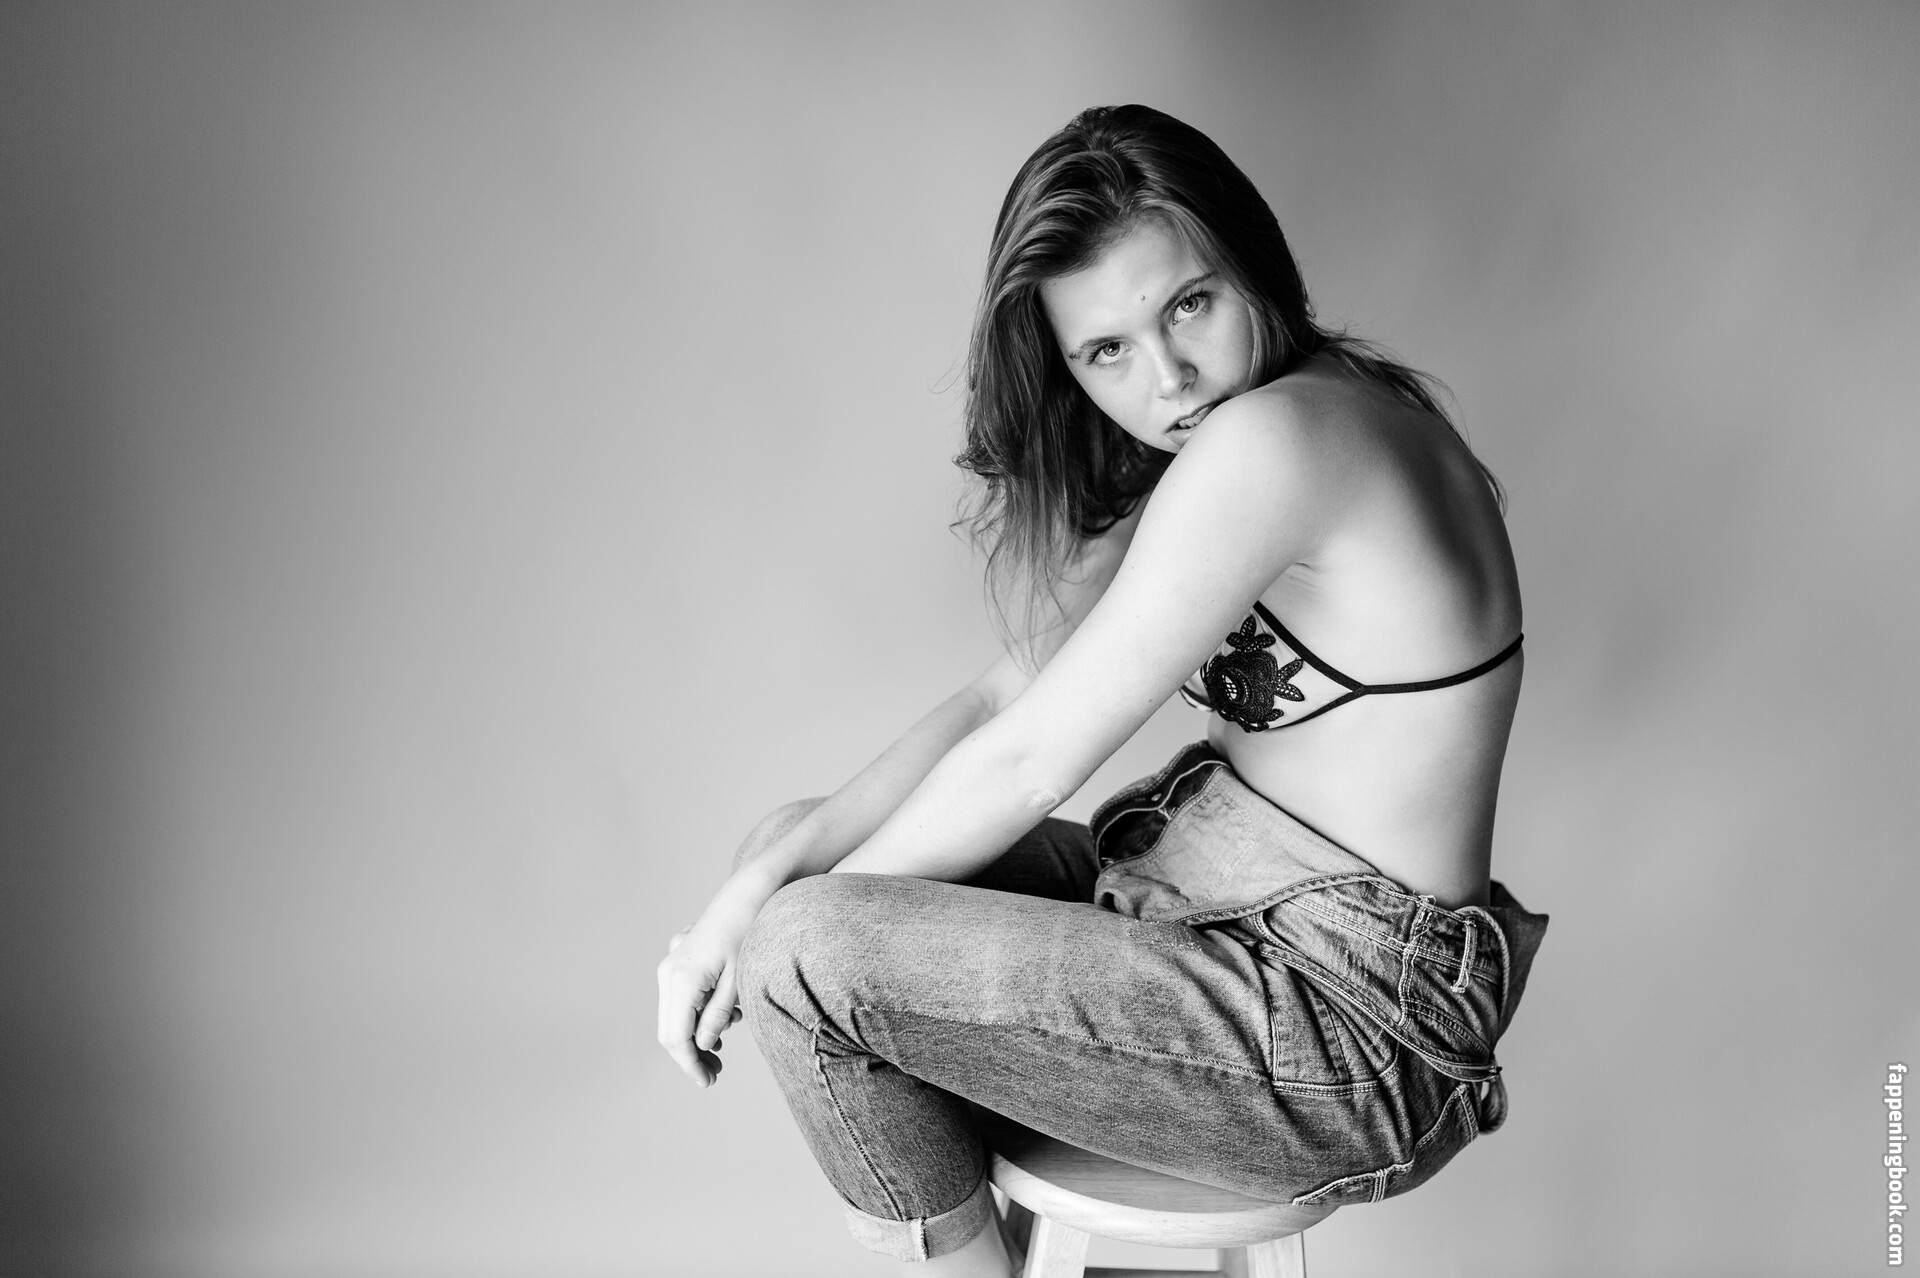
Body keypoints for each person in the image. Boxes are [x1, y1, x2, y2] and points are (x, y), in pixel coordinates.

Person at [655, 104, 1549, 1277]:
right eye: (1107, 352)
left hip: (1350, 1033)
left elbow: (1034, 762)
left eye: (1189, 305)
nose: (1168, 376)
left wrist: (779, 935)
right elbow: (1002, 702)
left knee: (810, 944)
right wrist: (752, 893)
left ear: (1252, 268)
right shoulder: (1243, 432)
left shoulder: (1283, 440)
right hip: (1200, 919)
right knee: (791, 859)